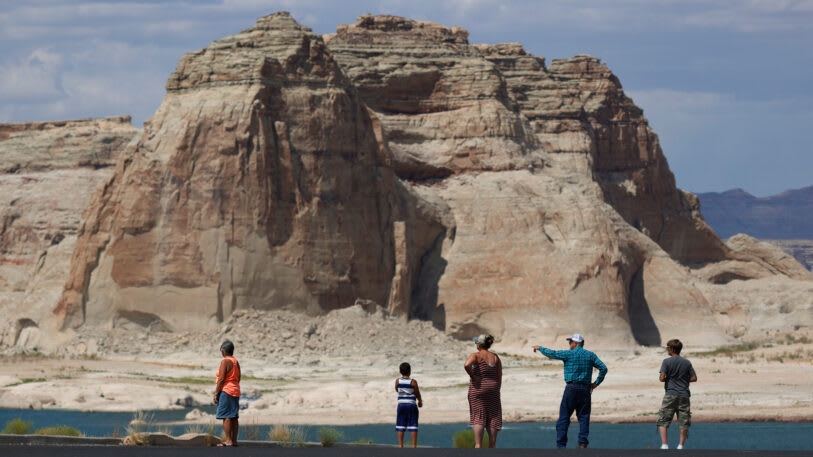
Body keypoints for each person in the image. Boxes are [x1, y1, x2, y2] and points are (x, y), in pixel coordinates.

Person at [533, 333, 608, 449]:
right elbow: (604, 368)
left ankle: (561, 446)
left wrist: (540, 348)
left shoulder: (569, 354)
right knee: (583, 417)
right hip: (585, 389)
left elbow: (552, 354)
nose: (569, 344)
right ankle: (582, 443)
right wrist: (595, 384)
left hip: (571, 388)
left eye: (570, 342)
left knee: (564, 417)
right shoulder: (590, 355)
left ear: (576, 343)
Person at [657, 338, 697, 450]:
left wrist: (665, 378)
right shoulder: (687, 362)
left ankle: (665, 445)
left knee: (663, 420)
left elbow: (662, 378)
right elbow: (694, 378)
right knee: (683, 421)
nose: (667, 350)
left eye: (668, 348)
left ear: (672, 349)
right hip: (684, 395)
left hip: (670, 394)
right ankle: (680, 446)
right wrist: (683, 380)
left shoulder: (666, 362)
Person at [464, 334, 502, 448]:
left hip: (478, 389)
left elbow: (466, 365)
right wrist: (496, 388)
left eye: (476, 342)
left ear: (479, 344)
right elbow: (499, 374)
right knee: (493, 416)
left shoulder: (476, 355)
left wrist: (472, 376)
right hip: (493, 389)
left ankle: (478, 445)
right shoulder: (495, 357)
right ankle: (492, 445)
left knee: (478, 416)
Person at [213, 339, 241, 447]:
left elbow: (221, 379)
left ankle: (228, 441)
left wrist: (216, 393)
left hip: (226, 391)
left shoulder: (225, 361)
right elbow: (238, 377)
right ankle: (234, 441)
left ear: (223, 351)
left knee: (226, 416)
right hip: (235, 390)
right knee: (234, 416)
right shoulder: (235, 361)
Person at [395, 362, 423, 447]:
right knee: (413, 424)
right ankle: (414, 446)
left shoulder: (397, 381)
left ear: (400, 371)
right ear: (410, 371)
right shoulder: (413, 382)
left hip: (401, 405)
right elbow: (417, 392)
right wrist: (420, 401)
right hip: (411, 405)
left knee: (400, 424)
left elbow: (397, 389)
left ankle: (400, 445)